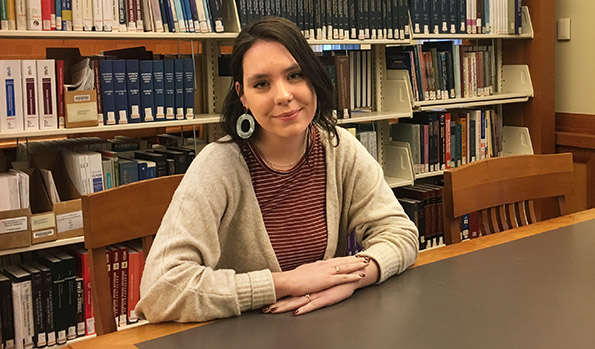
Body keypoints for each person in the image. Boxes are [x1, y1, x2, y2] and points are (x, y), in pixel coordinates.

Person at [136, 17, 419, 323]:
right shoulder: (217, 166)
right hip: (236, 347)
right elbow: (160, 289)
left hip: (320, 335)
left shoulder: (338, 149)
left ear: (313, 78)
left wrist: (348, 278)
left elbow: (401, 233)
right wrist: (284, 283)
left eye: (295, 75)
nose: (283, 95)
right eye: (261, 84)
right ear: (243, 96)